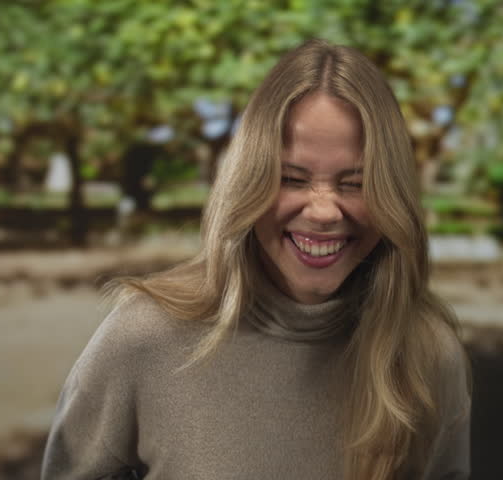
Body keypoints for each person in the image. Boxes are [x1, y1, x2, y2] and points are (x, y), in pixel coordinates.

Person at [41, 39, 471, 480]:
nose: (323, 211)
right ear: (249, 182)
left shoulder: (429, 353)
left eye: (355, 183)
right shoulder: (146, 335)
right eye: (291, 178)